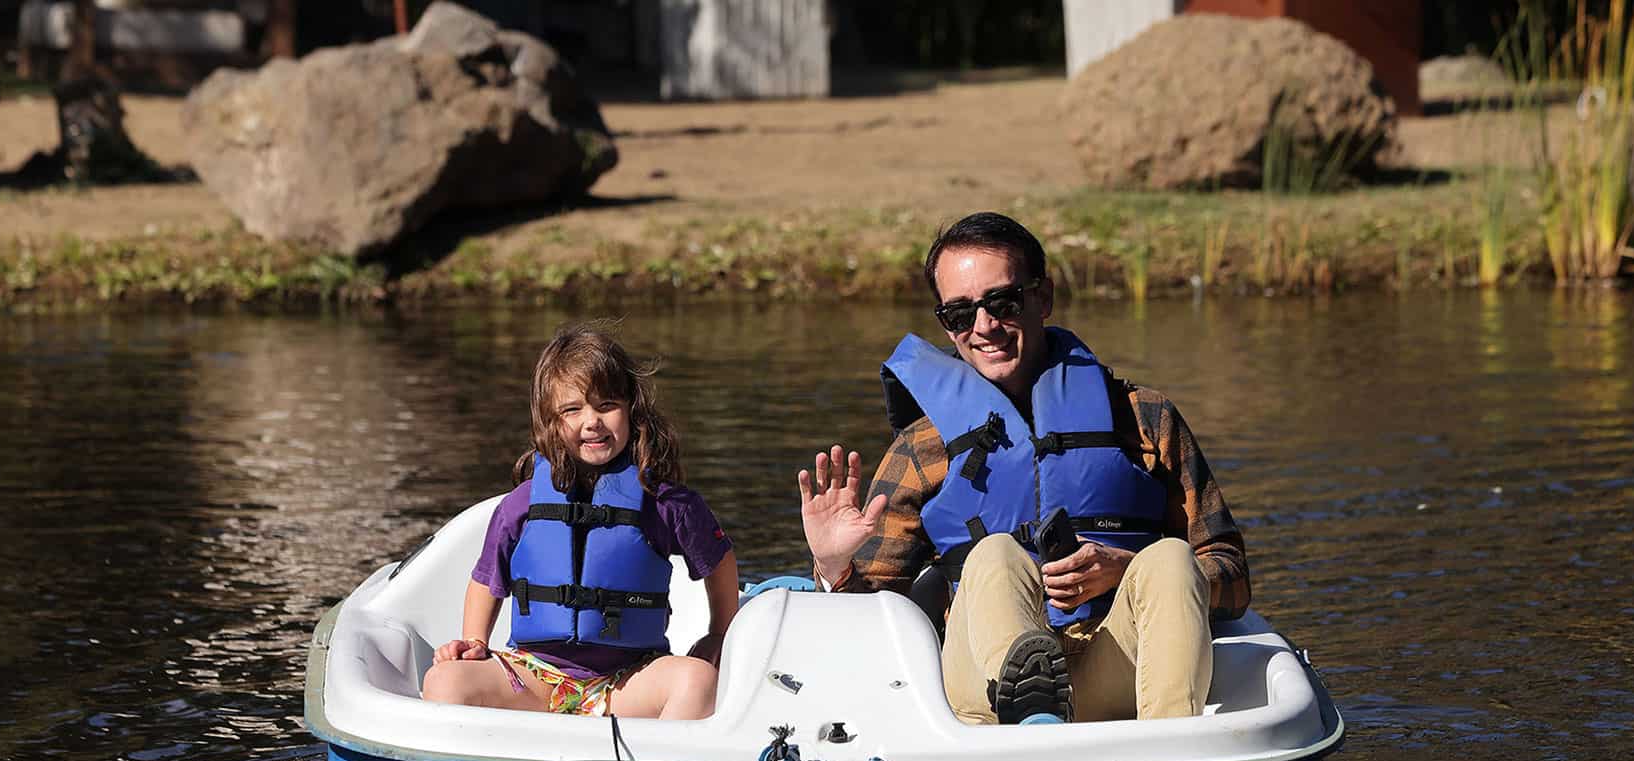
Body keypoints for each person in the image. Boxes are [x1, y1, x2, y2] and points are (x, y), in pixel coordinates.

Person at [797, 212, 1250, 725]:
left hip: (1119, 663)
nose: (984, 326)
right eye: (959, 314)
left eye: (1003, 303)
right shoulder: (922, 447)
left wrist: (1125, 571)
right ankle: (1034, 727)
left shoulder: (1145, 418)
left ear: (1044, 298)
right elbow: (870, 624)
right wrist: (833, 567)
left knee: (1171, 557)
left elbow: (1232, 578)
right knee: (994, 556)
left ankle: (1172, 760)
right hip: (985, 692)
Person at [423, 324, 739, 720]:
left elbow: (719, 560)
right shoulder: (520, 505)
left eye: (606, 405)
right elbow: (487, 579)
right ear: (550, 422)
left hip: (628, 680)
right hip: (535, 677)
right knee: (444, 681)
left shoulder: (666, 503)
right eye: (573, 409)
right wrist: (474, 642)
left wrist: (719, 635)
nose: (592, 421)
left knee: (697, 680)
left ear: (631, 409)